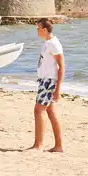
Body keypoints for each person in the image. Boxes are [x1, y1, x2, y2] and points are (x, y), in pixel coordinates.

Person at [28, 18, 65, 152]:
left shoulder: (54, 44)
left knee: (39, 110)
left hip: (49, 82)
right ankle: (59, 146)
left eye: (38, 28)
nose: (37, 30)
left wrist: (58, 89)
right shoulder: (48, 43)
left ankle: (39, 145)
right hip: (45, 81)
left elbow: (62, 66)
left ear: (44, 29)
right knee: (50, 112)